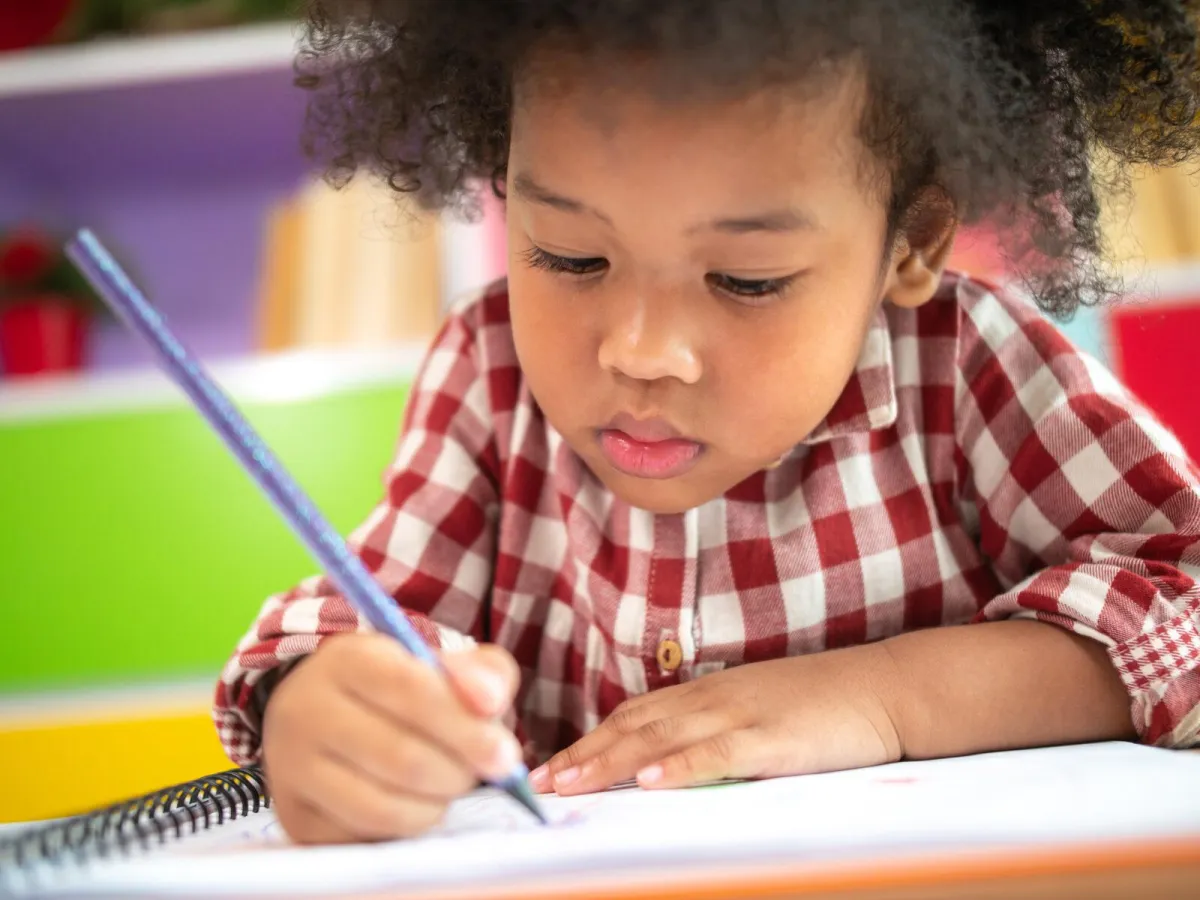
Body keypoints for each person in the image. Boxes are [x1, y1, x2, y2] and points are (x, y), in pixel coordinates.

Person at [214, 0, 1200, 843]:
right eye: (568, 255)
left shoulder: (969, 364)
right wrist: (330, 709)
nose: (638, 350)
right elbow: (369, 619)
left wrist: (887, 696)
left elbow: (1184, 602)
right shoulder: (489, 373)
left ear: (912, 244)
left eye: (746, 279)